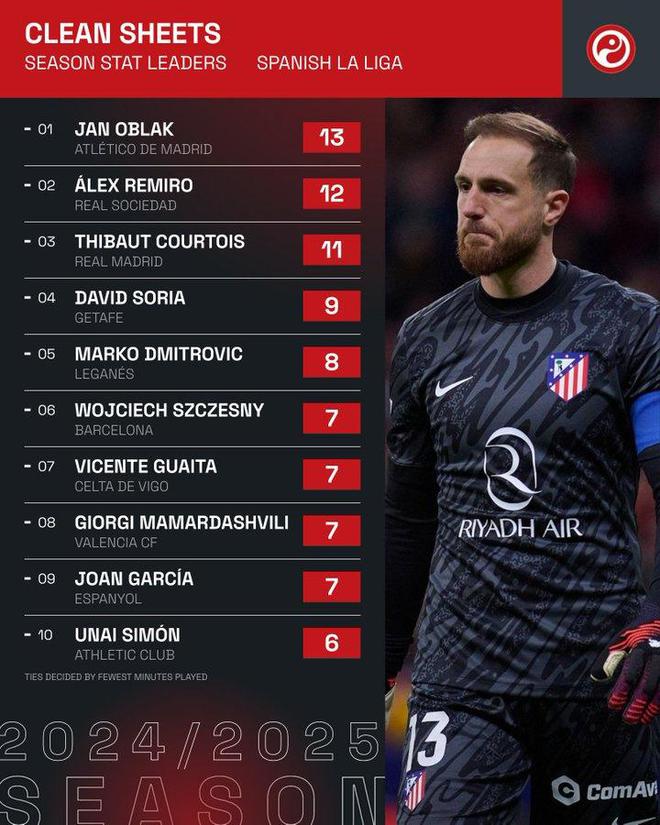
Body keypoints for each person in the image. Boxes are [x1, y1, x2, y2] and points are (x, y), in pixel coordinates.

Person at [385, 111, 660, 824]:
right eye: (464, 186)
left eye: (497, 189)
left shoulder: (629, 326)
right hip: (461, 677)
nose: (472, 205)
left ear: (553, 206)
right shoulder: (425, 339)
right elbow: (408, 517)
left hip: (599, 678)